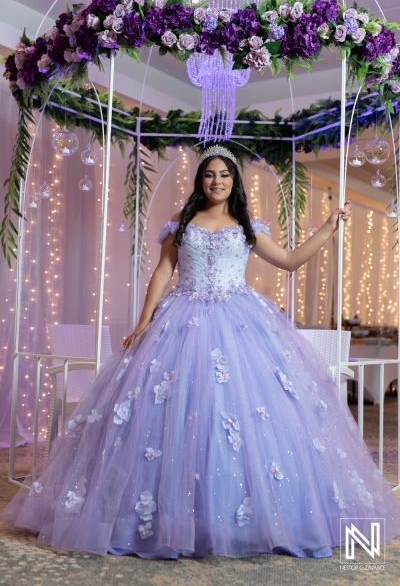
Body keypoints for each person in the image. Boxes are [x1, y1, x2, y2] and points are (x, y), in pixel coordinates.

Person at [2, 146, 400, 559]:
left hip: (240, 324)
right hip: (181, 320)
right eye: (210, 174)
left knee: (241, 416)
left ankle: (245, 519)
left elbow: (290, 261)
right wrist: (144, 320)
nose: (217, 181)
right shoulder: (182, 223)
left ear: (234, 182)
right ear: (200, 180)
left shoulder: (247, 225)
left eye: (225, 175)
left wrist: (328, 228)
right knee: (171, 415)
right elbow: (163, 271)